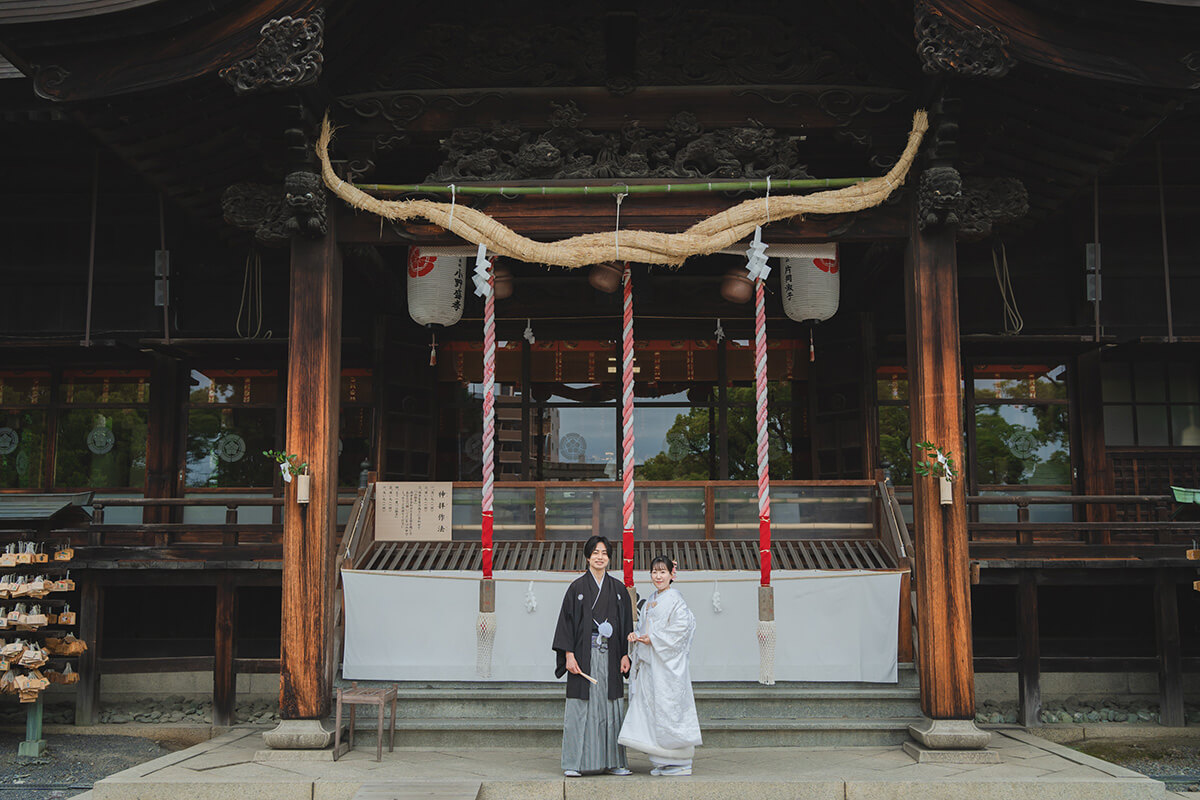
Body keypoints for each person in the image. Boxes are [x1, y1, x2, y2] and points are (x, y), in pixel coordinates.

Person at [552, 534, 634, 777]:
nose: (600, 557)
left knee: (612, 708)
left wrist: (625, 655)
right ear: (588, 556)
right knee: (581, 708)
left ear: (609, 558)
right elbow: (566, 624)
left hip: (611, 655)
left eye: (604, 553)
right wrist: (568, 655)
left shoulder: (618, 589)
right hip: (583, 655)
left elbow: (626, 624)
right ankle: (573, 763)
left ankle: (615, 762)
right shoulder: (576, 588)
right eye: (596, 553)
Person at [617, 555, 702, 776]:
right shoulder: (651, 599)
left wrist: (653, 639)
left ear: (671, 575)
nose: (658, 576)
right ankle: (662, 761)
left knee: (670, 711)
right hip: (651, 665)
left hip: (667, 668)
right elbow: (647, 628)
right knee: (652, 711)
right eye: (654, 572)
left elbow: (682, 629)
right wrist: (638, 638)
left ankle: (680, 762)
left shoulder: (675, 600)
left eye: (662, 572)